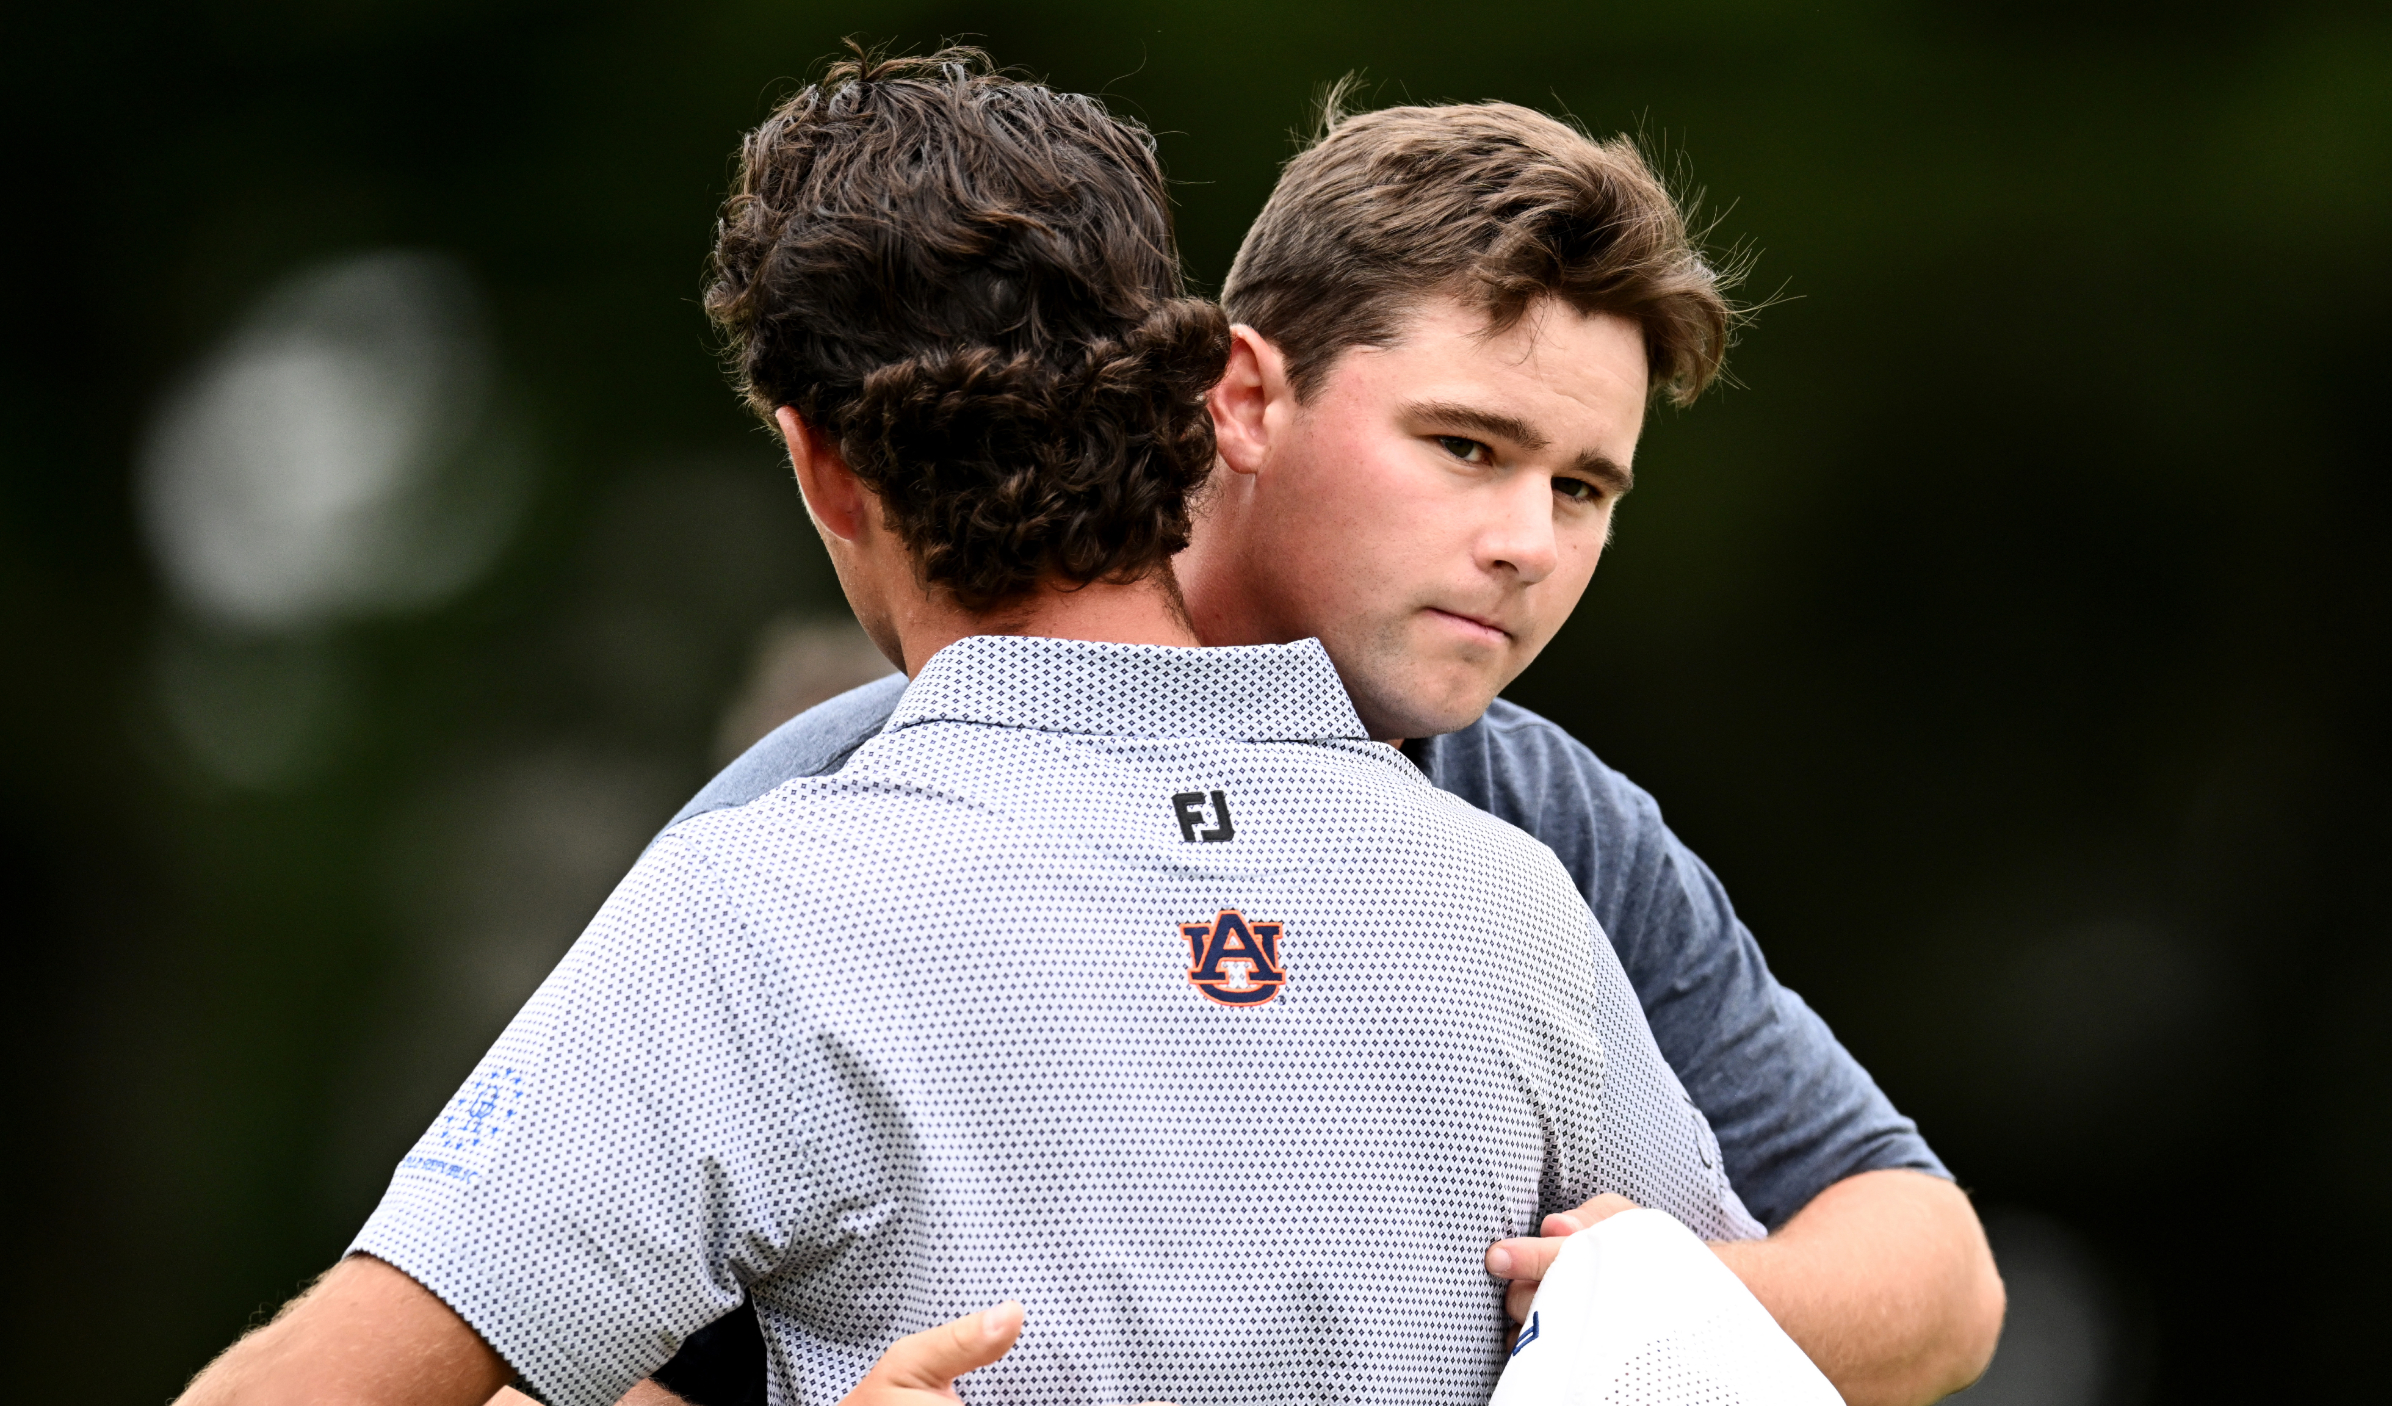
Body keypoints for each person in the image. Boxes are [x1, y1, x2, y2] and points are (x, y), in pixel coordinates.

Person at [175, 49, 1767, 1406]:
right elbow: (1731, 1351)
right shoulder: (1515, 902)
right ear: (1197, 398)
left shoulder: (760, 914)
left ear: (822, 468)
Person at [632, 94, 2003, 1406]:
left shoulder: (1545, 825)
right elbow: (517, 1355)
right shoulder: (826, 805)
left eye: (1583, 487)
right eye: (1467, 444)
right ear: (1242, 397)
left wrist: (1645, 1297)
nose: (1529, 541)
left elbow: (1943, 1284)